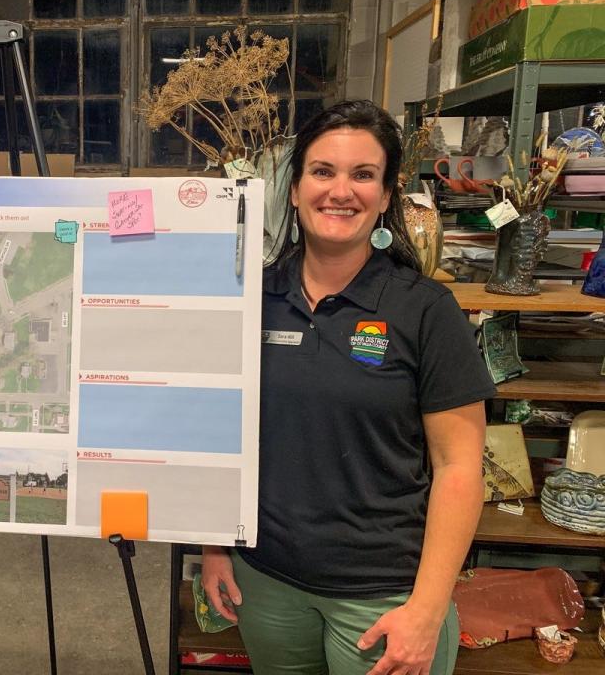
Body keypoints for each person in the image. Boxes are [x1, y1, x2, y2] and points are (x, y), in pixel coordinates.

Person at [202, 100, 495, 675]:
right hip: (267, 582)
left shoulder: (426, 311)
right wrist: (216, 548)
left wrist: (428, 609)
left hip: (386, 595)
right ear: (292, 189)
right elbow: (220, 432)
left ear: (387, 196)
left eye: (363, 175)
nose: (341, 191)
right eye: (322, 171)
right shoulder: (249, 299)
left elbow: (460, 469)